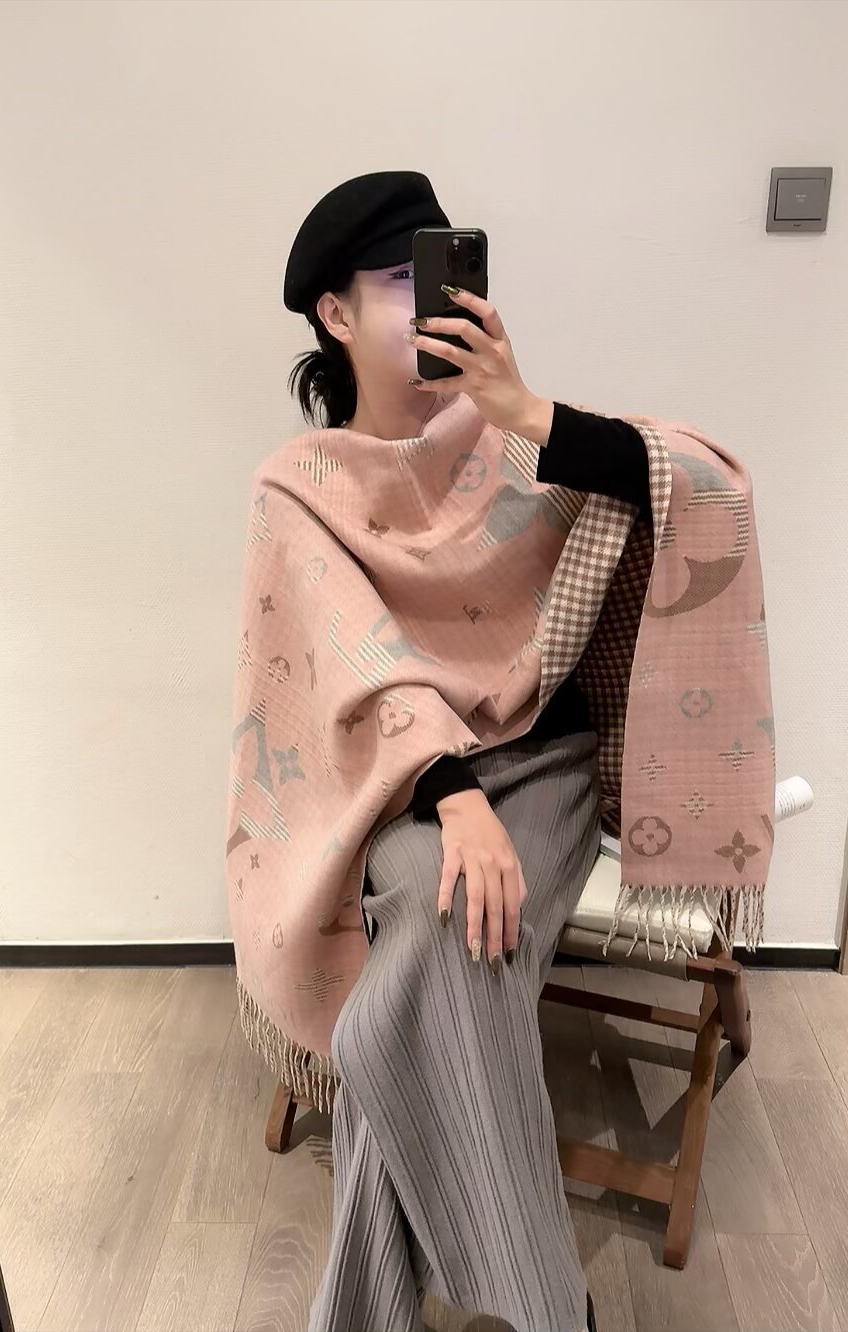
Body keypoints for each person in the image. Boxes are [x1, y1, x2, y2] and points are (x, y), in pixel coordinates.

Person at [283, 171, 649, 1332]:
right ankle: (553, 1310)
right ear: (334, 312)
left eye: (442, 271)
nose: (430, 297)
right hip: (399, 787)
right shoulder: (298, 484)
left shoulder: (511, 442)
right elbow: (347, 655)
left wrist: (527, 411)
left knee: (402, 995)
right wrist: (451, 796)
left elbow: (682, 485)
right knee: (449, 934)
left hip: (540, 761)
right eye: (399, 278)